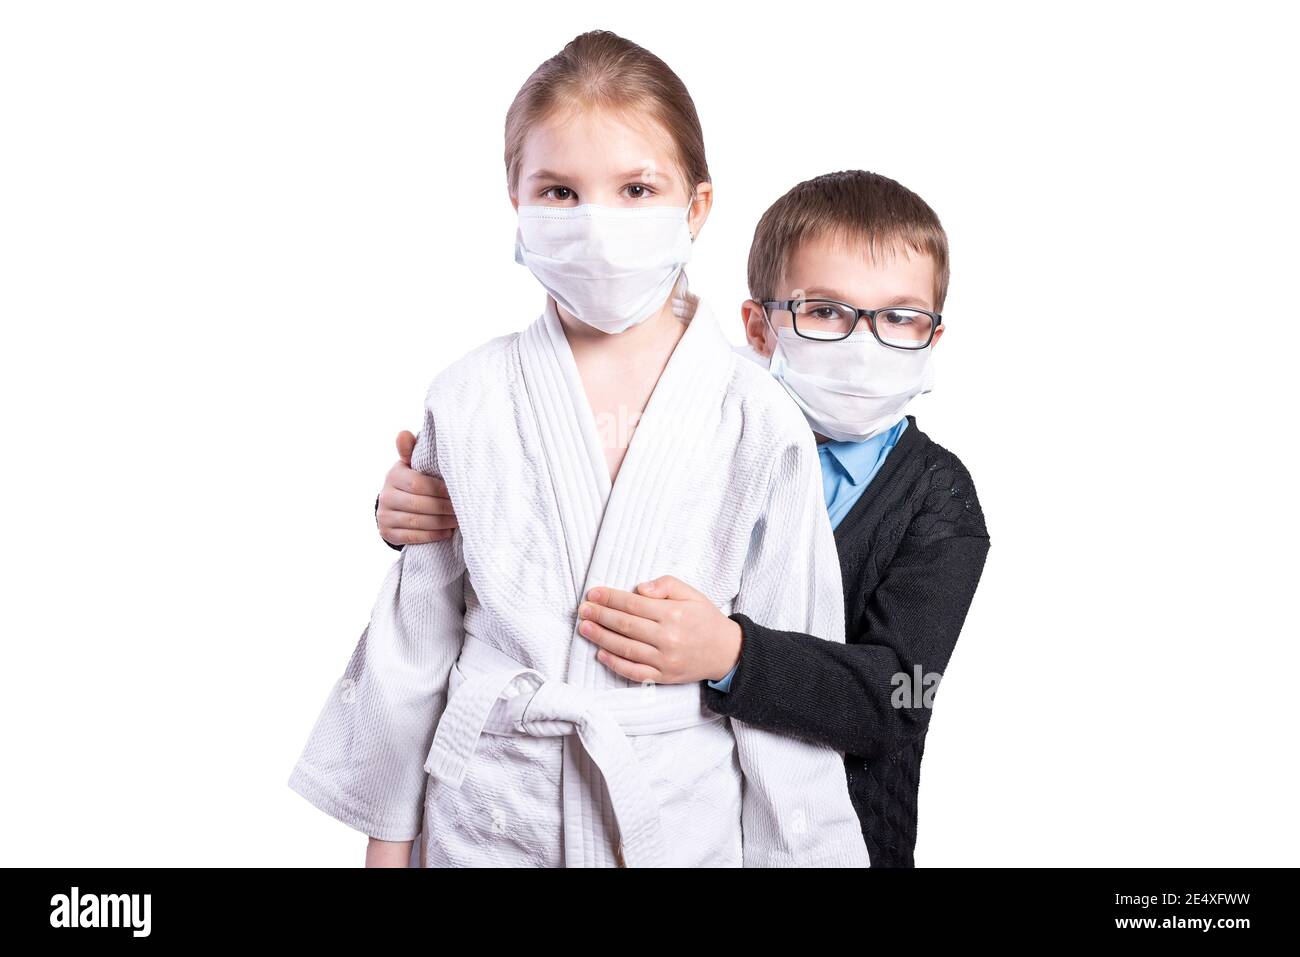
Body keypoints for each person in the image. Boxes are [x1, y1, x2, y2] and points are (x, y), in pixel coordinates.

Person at [289, 31, 869, 868]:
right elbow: (414, 642)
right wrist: (388, 846)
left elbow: (790, 675)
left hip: (678, 815)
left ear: (696, 208)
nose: (599, 224)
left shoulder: (755, 415)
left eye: (637, 188)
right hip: (492, 814)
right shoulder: (470, 394)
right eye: (560, 191)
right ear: (516, 204)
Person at [375, 170, 991, 866]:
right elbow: (545, 512)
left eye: (901, 317)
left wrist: (733, 654)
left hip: (841, 832)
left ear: (935, 333)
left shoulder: (940, 499)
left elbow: (902, 694)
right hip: (686, 825)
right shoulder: (697, 412)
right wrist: (415, 504)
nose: (863, 341)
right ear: (758, 325)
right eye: (824, 310)